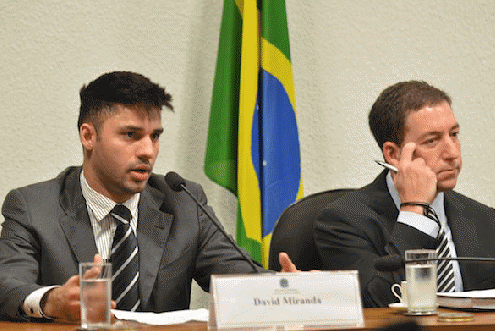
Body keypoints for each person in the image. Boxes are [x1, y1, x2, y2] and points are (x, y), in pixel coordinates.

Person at [0, 71, 296, 322]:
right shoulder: (33, 207)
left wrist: (288, 288)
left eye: (154, 136)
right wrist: (51, 301)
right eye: (131, 135)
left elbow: (239, 276)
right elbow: (6, 285)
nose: (148, 151)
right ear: (88, 136)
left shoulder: (183, 201)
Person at [314, 81, 495, 308]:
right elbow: (378, 302)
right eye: (432, 141)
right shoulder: (342, 222)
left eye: (454, 134)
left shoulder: (485, 219)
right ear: (392, 153)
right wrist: (414, 209)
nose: (452, 153)